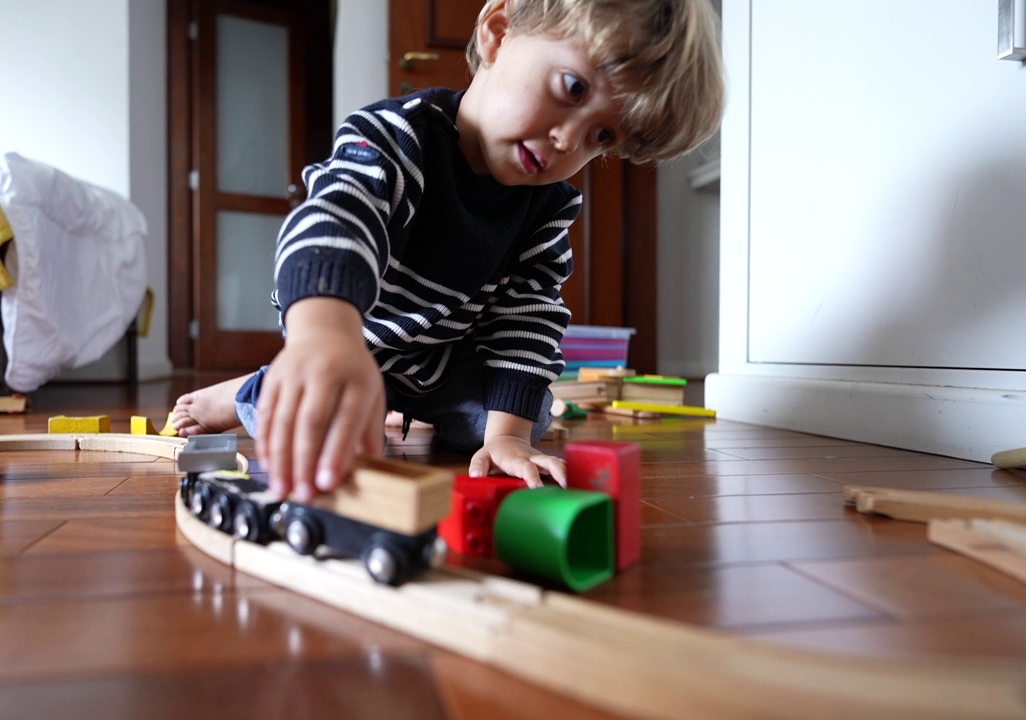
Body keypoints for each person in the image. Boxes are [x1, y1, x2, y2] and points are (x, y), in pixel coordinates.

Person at [171, 0, 724, 502]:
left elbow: (527, 316)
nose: (567, 142)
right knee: (305, 410)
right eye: (573, 90)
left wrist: (506, 437)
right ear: (498, 32)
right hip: (352, 341)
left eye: (601, 137)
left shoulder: (547, 208)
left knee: (529, 413)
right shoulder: (395, 139)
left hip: (441, 362)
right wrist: (323, 335)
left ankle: (404, 406)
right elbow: (334, 222)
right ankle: (249, 390)